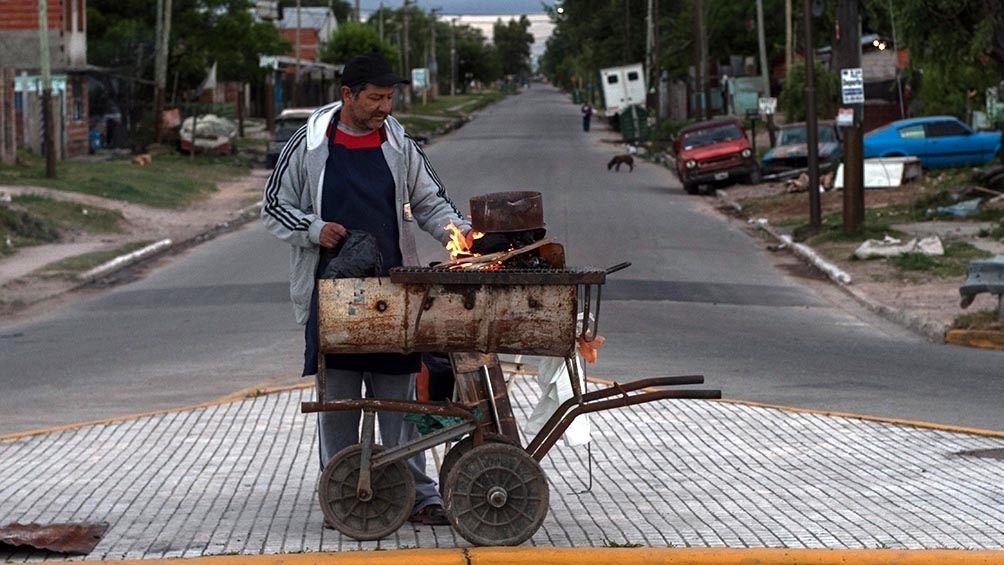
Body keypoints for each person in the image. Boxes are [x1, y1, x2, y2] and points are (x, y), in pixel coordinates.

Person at [261, 52, 472, 527]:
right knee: (338, 402)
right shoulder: (309, 144)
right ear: (347, 95)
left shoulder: (399, 143)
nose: (384, 107)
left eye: (390, 97)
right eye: (375, 98)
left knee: (400, 399)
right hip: (331, 297)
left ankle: (419, 495)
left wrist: (462, 236)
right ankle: (345, 492)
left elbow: (431, 202)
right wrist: (316, 230)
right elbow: (274, 206)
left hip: (393, 291)